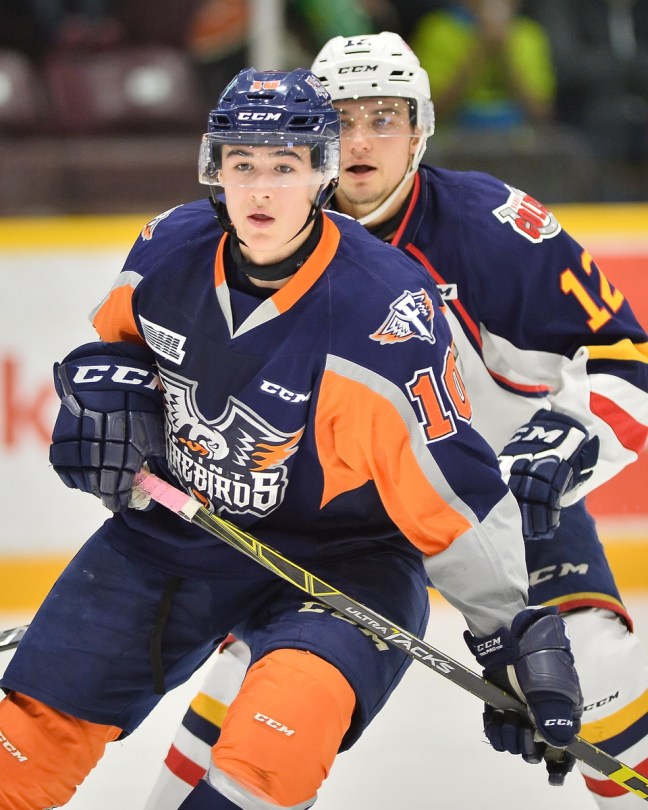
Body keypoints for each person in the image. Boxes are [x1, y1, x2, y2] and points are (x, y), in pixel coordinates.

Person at [0, 66, 583, 810]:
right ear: (218, 169)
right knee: (22, 748)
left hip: (346, 564)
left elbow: (448, 486)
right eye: (243, 165)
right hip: (175, 535)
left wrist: (510, 635)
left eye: (285, 166)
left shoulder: (383, 314)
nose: (262, 189)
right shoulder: (167, 250)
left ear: (321, 174)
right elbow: (117, 352)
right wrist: (100, 398)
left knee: (266, 761)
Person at [144, 33, 648, 810]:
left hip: (500, 504)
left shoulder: (493, 231)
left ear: (423, 129)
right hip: (348, 524)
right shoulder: (249, 243)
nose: (359, 140)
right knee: (256, 718)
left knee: (601, 683)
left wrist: (573, 437)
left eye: (385, 116)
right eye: (339, 118)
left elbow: (629, 358)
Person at [409, 0, 555, 130]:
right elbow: (430, 113)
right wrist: (480, 50)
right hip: (453, 145)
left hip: (517, 143)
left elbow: (540, 113)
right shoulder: (438, 30)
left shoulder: (529, 34)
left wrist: (504, 56)